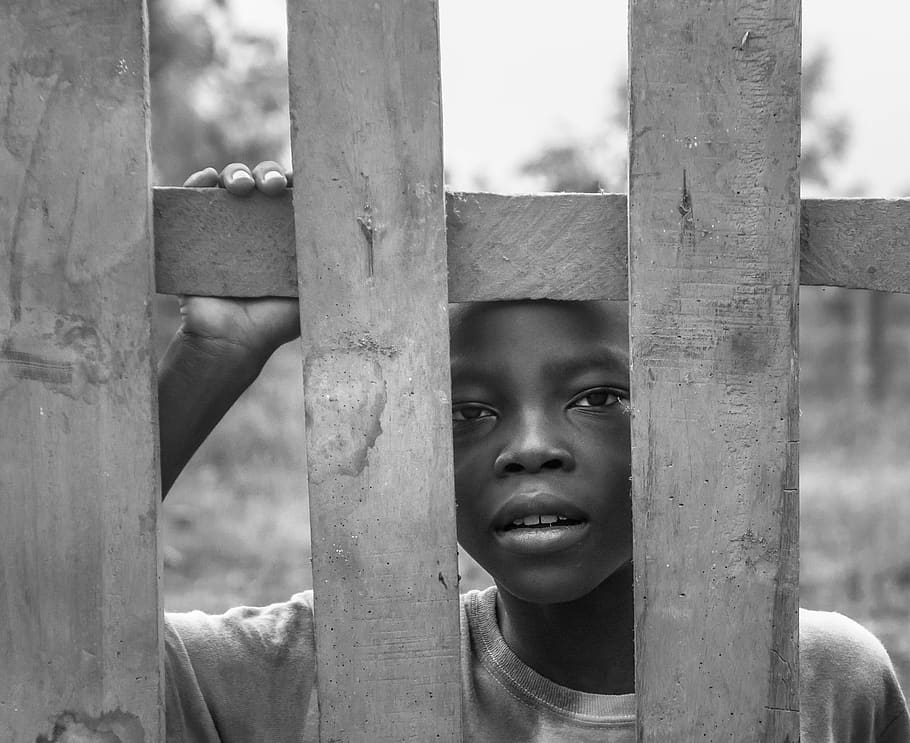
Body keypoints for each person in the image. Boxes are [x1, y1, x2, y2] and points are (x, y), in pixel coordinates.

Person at [161, 163, 910, 743]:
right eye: (468, 412)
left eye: (598, 398)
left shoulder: (830, 680)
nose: (529, 448)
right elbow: (59, 639)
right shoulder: (323, 668)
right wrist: (215, 356)